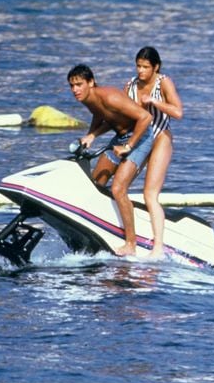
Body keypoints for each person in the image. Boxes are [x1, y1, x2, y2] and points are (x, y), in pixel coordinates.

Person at [67, 64, 153, 256]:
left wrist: (128, 147)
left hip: (141, 139)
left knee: (118, 189)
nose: (75, 90)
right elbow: (102, 116)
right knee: (96, 184)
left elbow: (145, 117)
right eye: (72, 86)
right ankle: (101, 230)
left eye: (79, 85)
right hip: (121, 138)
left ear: (91, 82)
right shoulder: (89, 99)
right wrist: (91, 136)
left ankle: (131, 244)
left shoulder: (110, 96)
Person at [125, 47, 183, 259]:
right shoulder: (130, 86)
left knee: (149, 193)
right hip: (140, 140)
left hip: (160, 139)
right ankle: (126, 235)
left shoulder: (163, 82)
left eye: (145, 67)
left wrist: (155, 101)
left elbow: (178, 112)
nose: (141, 71)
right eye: (138, 66)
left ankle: (158, 247)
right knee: (120, 186)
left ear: (155, 67)